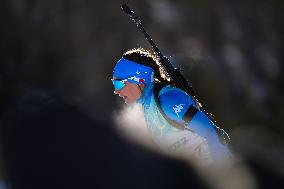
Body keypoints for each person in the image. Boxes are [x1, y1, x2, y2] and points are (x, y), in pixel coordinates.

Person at [112, 48, 231, 165]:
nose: (116, 91)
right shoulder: (147, 108)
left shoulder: (168, 99)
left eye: (118, 83)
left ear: (139, 79)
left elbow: (211, 132)